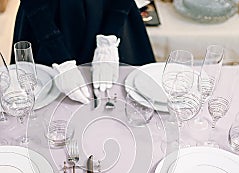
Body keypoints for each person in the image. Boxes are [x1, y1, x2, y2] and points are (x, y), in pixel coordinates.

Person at [12, 0, 155, 103]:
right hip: (44, 20)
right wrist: (59, 57)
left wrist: (109, 38)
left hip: (110, 12)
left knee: (131, 102)